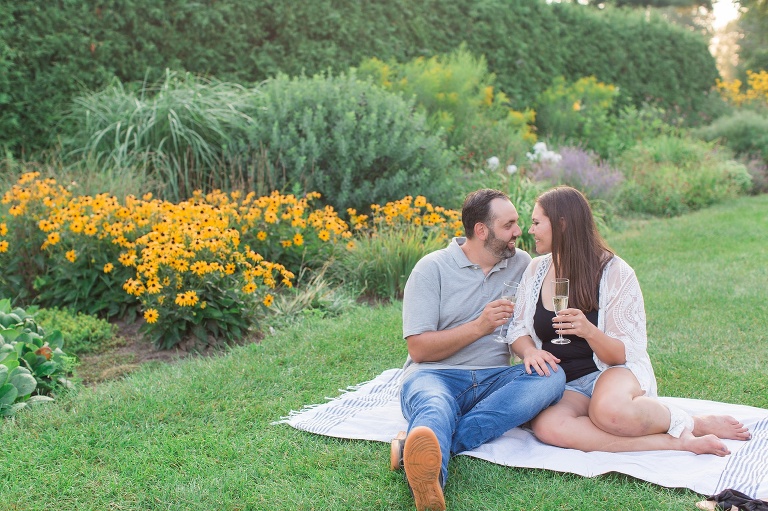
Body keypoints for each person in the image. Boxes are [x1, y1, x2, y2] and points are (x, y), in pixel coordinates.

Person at [505, 185, 751, 456]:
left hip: (608, 373)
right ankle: (678, 442)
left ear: (562, 224)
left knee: (610, 412)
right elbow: (518, 328)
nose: (530, 230)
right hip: (565, 383)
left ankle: (694, 423)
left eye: (537, 223)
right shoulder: (536, 269)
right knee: (549, 427)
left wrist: (589, 331)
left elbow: (622, 354)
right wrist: (529, 350)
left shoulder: (614, 272)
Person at [394, 188, 565, 511]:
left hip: (493, 379)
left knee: (551, 376)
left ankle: (417, 448)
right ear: (481, 230)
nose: (519, 232)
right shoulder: (431, 269)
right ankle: (431, 484)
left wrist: (529, 351)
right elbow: (418, 349)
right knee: (434, 405)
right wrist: (479, 327)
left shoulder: (522, 264)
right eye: (509, 225)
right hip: (435, 375)